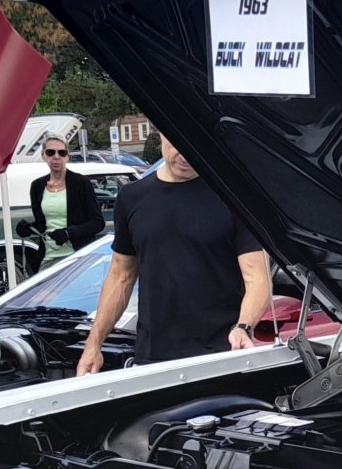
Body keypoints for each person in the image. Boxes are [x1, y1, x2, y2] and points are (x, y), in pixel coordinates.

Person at [76, 135, 270, 373]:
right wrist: (94, 343)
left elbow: (258, 278)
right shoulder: (132, 197)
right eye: (177, 143)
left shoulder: (234, 198)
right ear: (161, 134)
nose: (185, 155)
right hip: (152, 357)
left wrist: (243, 327)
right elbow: (120, 277)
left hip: (221, 354)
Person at [17, 135, 106, 267]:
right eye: (50, 152)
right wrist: (29, 228)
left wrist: (69, 233)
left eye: (62, 153)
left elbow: (98, 223)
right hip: (49, 256)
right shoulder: (37, 186)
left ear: (67, 156)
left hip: (78, 256)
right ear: (43, 155)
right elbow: (45, 224)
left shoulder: (81, 183)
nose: (56, 157)